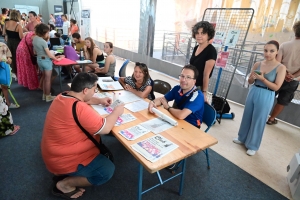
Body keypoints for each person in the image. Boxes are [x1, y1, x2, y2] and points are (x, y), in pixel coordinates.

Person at [41, 72, 124, 199]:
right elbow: (106, 128)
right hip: (62, 160)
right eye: (94, 89)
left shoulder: (63, 95)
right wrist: (117, 112)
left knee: (105, 156)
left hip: (55, 151)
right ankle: (64, 184)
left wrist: (100, 100)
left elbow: (85, 99)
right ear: (86, 90)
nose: (95, 91)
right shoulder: (80, 108)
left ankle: (68, 174)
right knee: (106, 171)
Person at [233, 40, 286, 156]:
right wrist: (252, 77)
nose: (268, 53)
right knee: (247, 115)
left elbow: (277, 87)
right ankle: (241, 137)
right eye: (266, 50)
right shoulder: (258, 64)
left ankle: (253, 145)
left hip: (267, 94)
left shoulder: (281, 68)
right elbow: (250, 81)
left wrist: (263, 79)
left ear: (277, 52)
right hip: (254, 90)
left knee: (259, 119)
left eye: (272, 51)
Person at [267, 21, 300, 125]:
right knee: (283, 100)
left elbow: (278, 62)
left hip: (278, 77)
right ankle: (271, 119)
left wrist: (285, 73)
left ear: (295, 30)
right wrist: (293, 75)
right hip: (293, 80)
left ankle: (263, 114)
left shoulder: (285, 45)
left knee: (270, 96)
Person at [32, 23, 61, 102]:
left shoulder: (35, 39)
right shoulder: (43, 41)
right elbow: (49, 54)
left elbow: (35, 52)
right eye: (47, 32)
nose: (48, 34)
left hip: (39, 60)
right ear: (43, 32)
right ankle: (48, 96)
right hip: (46, 61)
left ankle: (45, 95)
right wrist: (56, 59)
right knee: (48, 79)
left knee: (44, 78)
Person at [190, 21, 217, 102]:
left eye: (203, 33)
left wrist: (204, 92)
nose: (199, 36)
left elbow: (206, 74)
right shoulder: (196, 48)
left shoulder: (211, 51)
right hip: (190, 83)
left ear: (209, 35)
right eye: (197, 33)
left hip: (198, 87)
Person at [2, 10, 23, 77]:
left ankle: (12, 72)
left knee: (10, 57)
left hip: (9, 42)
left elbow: (3, 33)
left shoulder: (6, 23)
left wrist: (8, 35)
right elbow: (21, 37)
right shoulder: (18, 25)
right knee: (17, 57)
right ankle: (18, 73)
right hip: (17, 42)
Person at [0, 41, 19, 108]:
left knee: (4, 86)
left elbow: (9, 56)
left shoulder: (3, 45)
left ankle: (7, 103)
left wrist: (8, 59)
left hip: (3, 68)